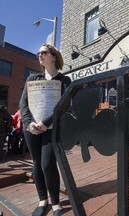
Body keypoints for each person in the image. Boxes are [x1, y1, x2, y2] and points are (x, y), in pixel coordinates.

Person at [19, 44, 71, 216]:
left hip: (51, 128)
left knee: (47, 163)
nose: (40, 55)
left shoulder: (64, 81)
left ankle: (56, 203)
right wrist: (28, 123)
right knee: (36, 164)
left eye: (44, 52)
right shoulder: (32, 79)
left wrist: (46, 122)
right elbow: (23, 103)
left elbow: (63, 106)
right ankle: (43, 200)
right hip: (32, 128)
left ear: (54, 56)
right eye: (38, 52)